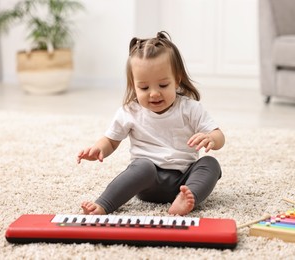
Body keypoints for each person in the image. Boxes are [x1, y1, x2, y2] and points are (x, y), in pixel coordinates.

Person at [77, 31, 225, 216]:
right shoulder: (130, 111)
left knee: (210, 164)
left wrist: (211, 138)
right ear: (133, 85)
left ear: (177, 80)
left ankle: (188, 198)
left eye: (163, 85)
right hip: (148, 182)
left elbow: (219, 136)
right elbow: (111, 141)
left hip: (183, 182)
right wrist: (98, 149)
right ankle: (103, 204)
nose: (154, 93)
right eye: (144, 87)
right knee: (142, 167)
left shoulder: (190, 108)